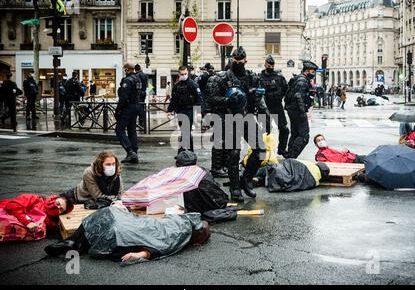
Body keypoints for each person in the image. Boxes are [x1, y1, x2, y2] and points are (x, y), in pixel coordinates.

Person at [44, 204, 210, 263]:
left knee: (114, 225)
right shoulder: (178, 223)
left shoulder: (181, 230)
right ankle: (75, 242)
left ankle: (76, 242)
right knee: (111, 212)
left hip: (135, 232)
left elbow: (162, 245)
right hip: (141, 226)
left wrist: (139, 254)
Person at [208, 46, 271, 202]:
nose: (237, 62)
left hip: (248, 117)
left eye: (240, 60)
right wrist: (227, 100)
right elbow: (211, 99)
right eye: (235, 60)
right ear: (231, 60)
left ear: (245, 61)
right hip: (229, 118)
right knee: (233, 154)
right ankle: (235, 188)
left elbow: (259, 99)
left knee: (260, 150)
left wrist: (266, 116)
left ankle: (246, 179)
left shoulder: (252, 77)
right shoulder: (221, 78)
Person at [0, 193, 73, 242]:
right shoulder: (35, 199)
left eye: (61, 209)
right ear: (53, 199)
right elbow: (13, 205)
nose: (57, 207)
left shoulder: (50, 222)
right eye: (58, 203)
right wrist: (27, 222)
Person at [284, 60, 318, 159]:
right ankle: (292, 155)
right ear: (306, 71)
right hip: (297, 110)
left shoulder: (300, 79)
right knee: (304, 135)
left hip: (294, 109)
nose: (313, 74)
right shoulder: (302, 81)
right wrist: (302, 112)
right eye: (312, 72)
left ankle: (289, 155)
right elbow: (298, 96)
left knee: (295, 133)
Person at [167, 65, 203, 153]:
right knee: (185, 131)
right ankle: (188, 151)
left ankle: (184, 151)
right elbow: (173, 99)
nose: (184, 75)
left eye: (185, 74)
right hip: (180, 111)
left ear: (187, 73)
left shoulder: (193, 84)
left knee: (186, 131)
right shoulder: (176, 86)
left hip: (189, 110)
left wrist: (199, 112)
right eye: (182, 74)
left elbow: (199, 98)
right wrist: (169, 111)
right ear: (179, 74)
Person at [259, 55, 289, 156]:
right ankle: (263, 152)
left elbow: (286, 90)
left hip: (277, 106)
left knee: (284, 129)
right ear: (265, 64)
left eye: (272, 65)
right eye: (269, 65)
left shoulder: (279, 77)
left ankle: (281, 149)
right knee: (265, 131)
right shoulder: (259, 78)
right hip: (264, 107)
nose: (270, 67)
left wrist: (281, 97)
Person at [115, 62, 141, 164]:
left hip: (128, 107)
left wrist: (118, 109)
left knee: (119, 129)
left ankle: (130, 151)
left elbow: (124, 97)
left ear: (127, 69)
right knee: (132, 130)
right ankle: (134, 153)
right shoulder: (137, 79)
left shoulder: (127, 80)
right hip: (136, 106)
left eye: (124, 69)